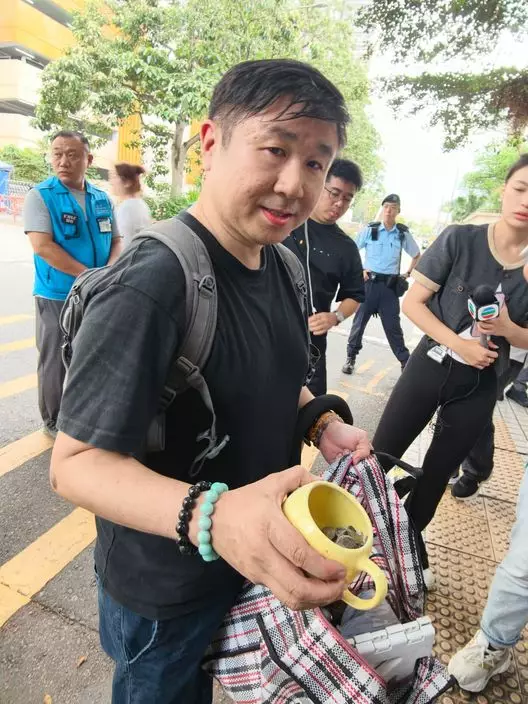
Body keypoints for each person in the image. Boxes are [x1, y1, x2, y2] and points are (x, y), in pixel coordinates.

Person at [49, 59, 372, 704]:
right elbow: (75, 465)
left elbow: (271, 376)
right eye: (275, 149)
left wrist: (320, 421)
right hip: (164, 594)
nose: (294, 184)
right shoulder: (152, 283)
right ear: (210, 143)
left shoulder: (282, 265)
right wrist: (215, 516)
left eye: (316, 162)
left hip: (246, 565)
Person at [372, 154, 528, 585]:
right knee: (381, 454)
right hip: (430, 365)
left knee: (437, 472)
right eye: (521, 189)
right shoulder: (460, 239)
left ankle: (407, 547)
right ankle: (352, 527)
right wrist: (459, 343)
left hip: (481, 383)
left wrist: (509, 329)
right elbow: (413, 303)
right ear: (504, 189)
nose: (526, 201)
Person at [447, 250, 528, 694]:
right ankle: (495, 643)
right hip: (470, 356)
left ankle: (477, 466)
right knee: (525, 559)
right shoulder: (472, 248)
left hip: (502, 360)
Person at [23, 131, 122, 438]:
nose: (63, 161)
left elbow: (116, 241)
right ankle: (53, 420)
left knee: (91, 355)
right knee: (54, 360)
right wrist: (89, 276)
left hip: (97, 293)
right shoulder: (41, 196)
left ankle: (84, 414)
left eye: (72, 154)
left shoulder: (101, 198)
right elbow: (42, 246)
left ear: (88, 160)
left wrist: (108, 272)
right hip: (57, 295)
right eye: (57, 153)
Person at [283, 158, 365, 396]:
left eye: (347, 198)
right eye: (334, 193)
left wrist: (335, 317)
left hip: (311, 344)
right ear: (320, 185)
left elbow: (355, 295)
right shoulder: (285, 221)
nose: (339, 203)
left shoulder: (346, 247)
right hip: (265, 331)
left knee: (311, 409)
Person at [342, 194, 420, 374]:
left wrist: (407, 274)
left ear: (398, 211)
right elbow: (351, 249)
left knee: (393, 327)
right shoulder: (371, 230)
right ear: (382, 209)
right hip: (369, 284)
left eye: (393, 207)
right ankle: (350, 358)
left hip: (389, 289)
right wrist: (361, 270)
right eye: (386, 206)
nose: (389, 210)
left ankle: (405, 362)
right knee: (359, 324)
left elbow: (417, 255)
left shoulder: (402, 234)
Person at [452, 347, 528, 500]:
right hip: (463, 345)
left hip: (509, 354)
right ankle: (449, 463)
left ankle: (476, 470)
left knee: (477, 409)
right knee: (453, 402)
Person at [110, 162, 152, 247]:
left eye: (114, 177)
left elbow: (123, 243)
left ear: (127, 183)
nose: (111, 182)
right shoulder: (141, 205)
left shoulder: (127, 208)